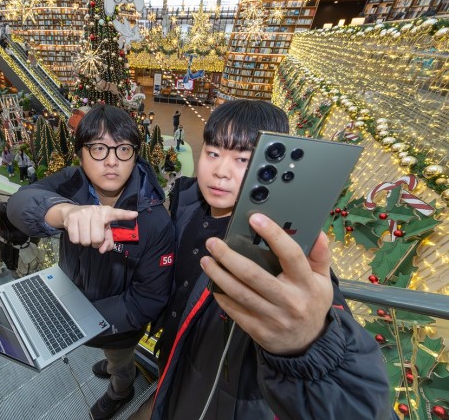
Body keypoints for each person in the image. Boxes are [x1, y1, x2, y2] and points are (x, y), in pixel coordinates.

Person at [130, 100, 395, 420]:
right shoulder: (185, 203)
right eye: (213, 152)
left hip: (212, 398)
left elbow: (357, 406)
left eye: (243, 159)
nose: (221, 170)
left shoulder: (279, 252)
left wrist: (308, 343)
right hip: (172, 355)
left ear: (271, 169)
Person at [8, 105, 175, 420]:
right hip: (78, 305)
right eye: (98, 148)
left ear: (135, 155)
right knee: (111, 357)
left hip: (118, 329)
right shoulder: (72, 183)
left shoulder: (154, 220)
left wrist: (79, 321)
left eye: (123, 149)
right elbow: (18, 202)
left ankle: (120, 391)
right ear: (80, 155)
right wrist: (64, 212)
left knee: (121, 362)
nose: (111, 161)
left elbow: (148, 299)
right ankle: (110, 363)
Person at [0, 202, 43, 278]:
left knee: (22, 281)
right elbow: (36, 240)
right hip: (33, 259)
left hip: (16, 269)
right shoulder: (27, 225)